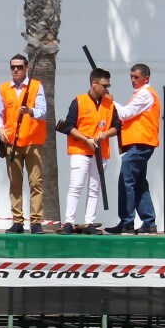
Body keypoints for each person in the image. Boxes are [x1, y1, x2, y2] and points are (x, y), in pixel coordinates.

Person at [58, 68, 121, 234]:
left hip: (100, 152)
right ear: (94, 84)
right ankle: (68, 222)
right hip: (80, 150)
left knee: (94, 188)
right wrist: (86, 140)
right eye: (104, 85)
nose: (107, 88)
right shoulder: (78, 101)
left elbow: (117, 127)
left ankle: (89, 223)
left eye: (108, 85)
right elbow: (69, 126)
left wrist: (104, 134)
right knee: (76, 186)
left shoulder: (109, 104)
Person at [0, 54, 48, 233]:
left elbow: (43, 112)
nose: (16, 70)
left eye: (19, 67)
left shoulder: (36, 86)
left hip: (33, 140)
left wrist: (30, 111)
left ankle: (36, 221)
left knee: (35, 183)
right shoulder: (3, 88)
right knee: (15, 183)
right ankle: (17, 220)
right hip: (12, 142)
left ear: (26, 68)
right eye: (13, 67)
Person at [107, 62, 160, 234]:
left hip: (141, 143)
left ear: (146, 78)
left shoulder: (144, 94)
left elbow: (125, 113)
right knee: (139, 183)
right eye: (131, 77)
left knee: (126, 180)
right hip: (140, 143)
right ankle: (148, 221)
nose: (133, 80)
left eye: (136, 77)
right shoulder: (142, 93)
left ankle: (127, 221)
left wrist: (111, 102)